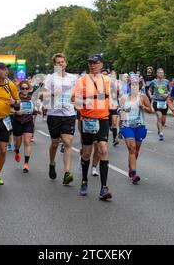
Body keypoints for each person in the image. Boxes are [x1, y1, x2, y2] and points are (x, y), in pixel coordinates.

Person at [74, 53, 114, 200]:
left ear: (101, 65)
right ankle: (84, 181)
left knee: (103, 149)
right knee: (86, 152)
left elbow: (113, 99)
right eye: (90, 63)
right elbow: (75, 100)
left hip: (103, 119)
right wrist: (83, 104)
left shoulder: (108, 81)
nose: (93, 65)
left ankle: (104, 187)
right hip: (87, 120)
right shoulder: (81, 81)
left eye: (95, 63)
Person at [41, 53, 77, 185]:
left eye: (62, 62)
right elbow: (42, 94)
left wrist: (78, 103)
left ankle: (67, 172)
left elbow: (76, 93)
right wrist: (50, 95)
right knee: (55, 143)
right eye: (58, 62)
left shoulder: (73, 78)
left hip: (69, 114)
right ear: (54, 65)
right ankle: (52, 163)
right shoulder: (50, 78)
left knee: (68, 142)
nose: (61, 64)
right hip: (54, 114)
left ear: (66, 63)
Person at [119, 74, 153, 183]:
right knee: (132, 148)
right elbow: (121, 111)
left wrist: (143, 106)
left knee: (136, 150)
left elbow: (150, 110)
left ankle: (131, 165)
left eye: (136, 84)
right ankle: (133, 173)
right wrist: (121, 124)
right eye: (132, 84)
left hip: (140, 127)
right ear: (129, 86)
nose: (134, 86)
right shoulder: (124, 97)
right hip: (127, 126)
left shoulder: (142, 97)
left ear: (139, 86)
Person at [12, 81, 37, 173]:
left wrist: (37, 110)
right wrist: (16, 112)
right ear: (20, 88)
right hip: (17, 121)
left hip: (28, 122)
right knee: (18, 143)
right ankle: (17, 151)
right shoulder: (15, 97)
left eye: (26, 88)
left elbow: (34, 108)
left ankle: (26, 164)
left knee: (27, 141)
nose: (25, 90)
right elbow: (8, 108)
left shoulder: (31, 98)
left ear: (29, 89)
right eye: (23, 88)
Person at [148, 67, 171, 141]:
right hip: (156, 101)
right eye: (160, 73)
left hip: (164, 102)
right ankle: (161, 133)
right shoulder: (153, 82)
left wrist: (167, 94)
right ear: (157, 74)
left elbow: (170, 90)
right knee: (159, 116)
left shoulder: (166, 81)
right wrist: (151, 95)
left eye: (162, 73)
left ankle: (160, 128)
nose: (161, 74)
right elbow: (149, 90)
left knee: (163, 120)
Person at [109, 70, 120, 146]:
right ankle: (110, 126)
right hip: (107, 106)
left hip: (115, 105)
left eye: (114, 74)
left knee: (115, 123)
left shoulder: (118, 83)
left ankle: (114, 139)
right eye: (112, 74)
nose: (113, 75)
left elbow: (121, 94)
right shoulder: (107, 82)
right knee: (110, 123)